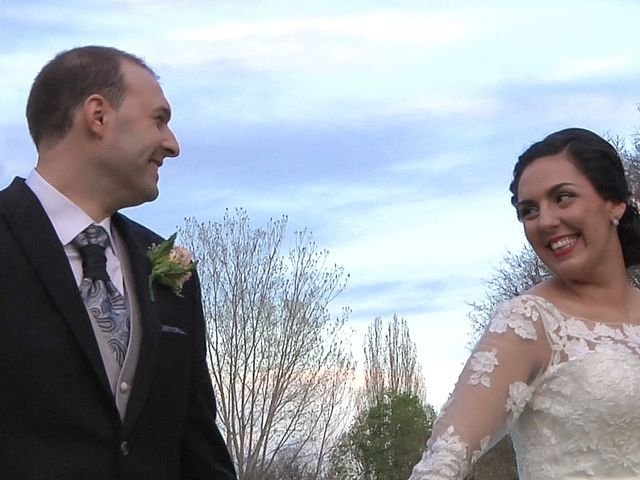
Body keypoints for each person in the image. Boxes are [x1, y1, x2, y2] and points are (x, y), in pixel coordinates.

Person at [0, 46, 237, 479]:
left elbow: (199, 452)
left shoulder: (170, 274)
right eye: (159, 119)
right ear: (98, 115)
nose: (173, 144)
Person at [409, 128, 640, 479]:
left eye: (562, 198)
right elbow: (441, 463)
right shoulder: (529, 321)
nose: (545, 221)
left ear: (614, 203)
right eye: (529, 210)